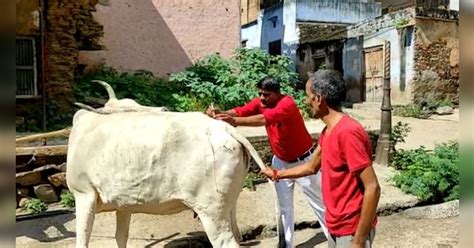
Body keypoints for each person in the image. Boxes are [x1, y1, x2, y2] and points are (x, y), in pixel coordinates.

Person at [261, 70, 381, 248]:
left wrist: (358, 241)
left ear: (318, 98)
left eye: (308, 96)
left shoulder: (348, 133)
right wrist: (277, 173)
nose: (306, 101)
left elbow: (373, 187)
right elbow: (310, 167)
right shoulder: (328, 131)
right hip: (335, 224)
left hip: (351, 229)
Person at [206, 76, 329, 247]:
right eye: (260, 94)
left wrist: (233, 121)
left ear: (277, 93)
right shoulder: (262, 103)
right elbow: (242, 110)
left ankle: (335, 241)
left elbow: (264, 119)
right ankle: (286, 244)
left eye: (266, 94)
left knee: (320, 205)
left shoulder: (287, 104)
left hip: (305, 162)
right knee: (283, 208)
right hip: (280, 161)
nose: (262, 98)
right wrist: (221, 114)